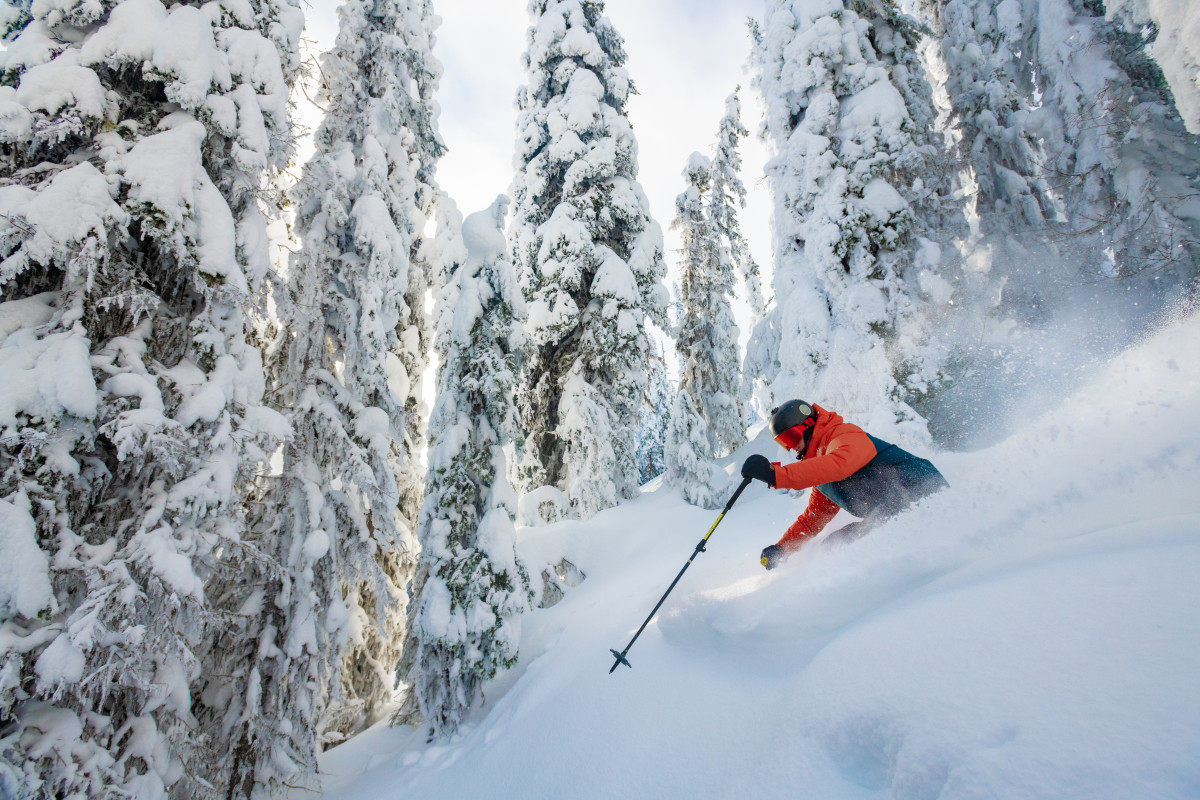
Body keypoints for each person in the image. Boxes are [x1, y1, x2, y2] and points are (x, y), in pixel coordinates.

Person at [741, 399, 948, 569]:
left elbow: (839, 464)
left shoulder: (843, 435)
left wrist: (776, 476)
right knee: (833, 546)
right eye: (784, 443)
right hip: (893, 510)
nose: (792, 448)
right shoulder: (822, 470)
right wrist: (783, 548)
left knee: (850, 544)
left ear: (807, 426)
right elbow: (813, 518)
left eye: (792, 437)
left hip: (919, 490)